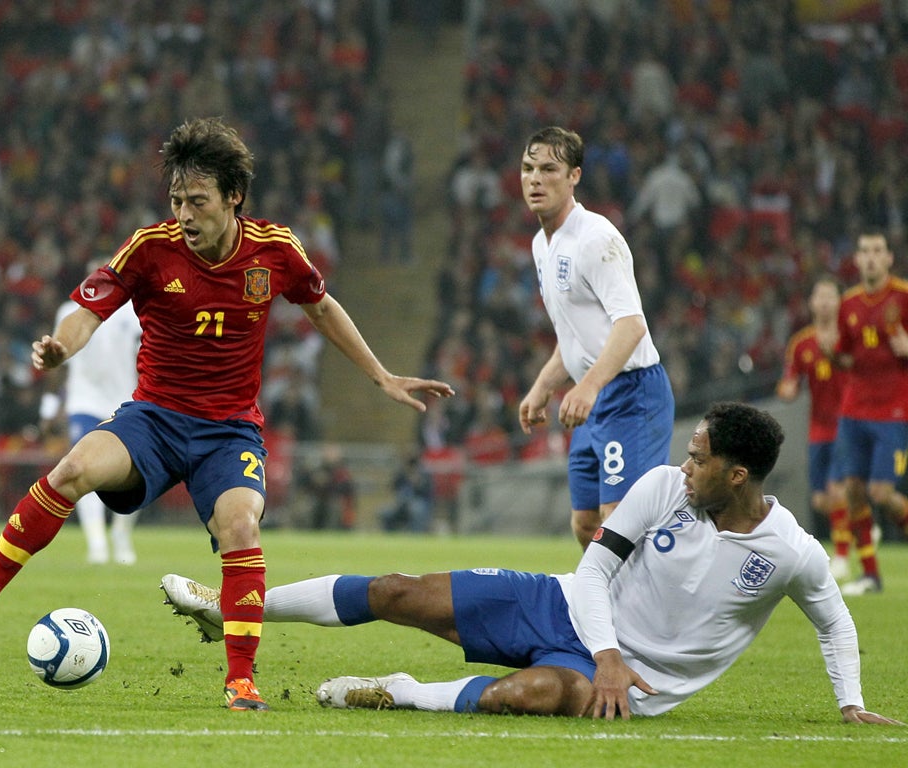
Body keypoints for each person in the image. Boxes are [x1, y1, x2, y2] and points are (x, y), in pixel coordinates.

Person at [0, 117, 455, 712]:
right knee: (71, 471)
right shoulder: (150, 248)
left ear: (234, 198)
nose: (184, 214)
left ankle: (240, 679)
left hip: (229, 432)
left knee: (241, 528)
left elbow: (322, 308)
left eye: (197, 201)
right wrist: (60, 347)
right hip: (154, 419)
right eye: (176, 200)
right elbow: (87, 308)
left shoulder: (276, 251)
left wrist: (381, 375)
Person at [160, 402, 902, 725]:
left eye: (700, 459)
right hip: (560, 608)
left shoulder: (790, 553)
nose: (684, 465)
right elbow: (591, 572)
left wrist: (849, 699)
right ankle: (233, 608)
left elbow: (834, 619)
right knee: (396, 589)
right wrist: (606, 648)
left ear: (738, 475)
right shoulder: (661, 490)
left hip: (618, 686)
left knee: (536, 694)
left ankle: (397, 691)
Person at [517, 127, 675, 549]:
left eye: (549, 168)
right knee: (586, 523)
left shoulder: (596, 238)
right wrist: (543, 385)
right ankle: (611, 607)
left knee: (619, 521)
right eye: (528, 168)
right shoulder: (540, 245)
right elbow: (575, 335)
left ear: (574, 177)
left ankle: (659, 604)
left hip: (631, 393)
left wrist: (587, 386)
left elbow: (630, 325)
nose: (535, 178)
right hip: (599, 395)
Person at [39, 293, 143, 564]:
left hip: (125, 398)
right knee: (80, 469)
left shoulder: (134, 309)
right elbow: (58, 359)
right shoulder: (70, 309)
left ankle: (121, 534)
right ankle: (96, 542)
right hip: (84, 400)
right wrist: (49, 406)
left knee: (136, 472)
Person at [832, 230, 908, 595]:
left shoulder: (904, 297)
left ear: (889, 258)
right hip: (853, 410)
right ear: (857, 259)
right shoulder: (848, 304)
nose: (871, 257)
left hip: (893, 413)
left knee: (882, 493)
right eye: (865, 251)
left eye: (878, 251)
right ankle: (871, 576)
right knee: (854, 490)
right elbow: (845, 354)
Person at [776, 276, 854, 580]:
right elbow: (789, 381)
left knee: (836, 490)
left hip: (848, 423)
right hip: (818, 428)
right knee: (821, 499)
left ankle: (843, 556)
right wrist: (787, 389)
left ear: (839, 302)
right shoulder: (801, 343)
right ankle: (859, 522)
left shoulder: (850, 337)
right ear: (811, 303)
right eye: (819, 296)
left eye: (830, 296)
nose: (824, 302)